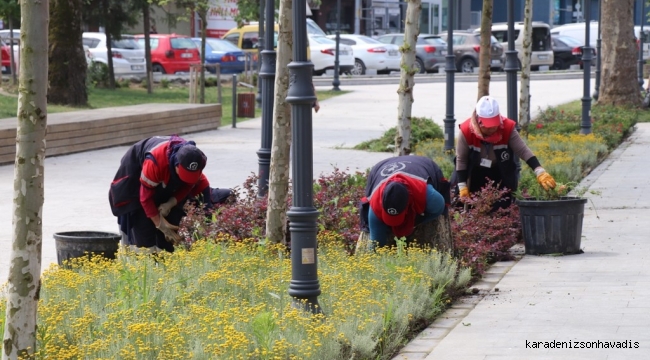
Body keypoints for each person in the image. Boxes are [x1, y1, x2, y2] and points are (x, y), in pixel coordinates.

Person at [109, 135, 221, 253]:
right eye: (184, 173)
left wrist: (170, 203)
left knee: (171, 224)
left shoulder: (198, 161)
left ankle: (164, 261)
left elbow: (189, 185)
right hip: (136, 180)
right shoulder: (156, 162)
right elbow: (145, 198)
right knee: (143, 226)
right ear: (177, 163)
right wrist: (161, 225)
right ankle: (142, 262)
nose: (186, 178)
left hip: (162, 179)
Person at [455, 95, 557, 207]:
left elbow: (523, 151)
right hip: (474, 173)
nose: (491, 129)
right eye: (487, 126)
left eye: (494, 125)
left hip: (500, 172)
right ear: (478, 121)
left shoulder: (507, 127)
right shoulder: (466, 131)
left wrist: (540, 172)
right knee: (471, 208)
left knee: (502, 207)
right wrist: (462, 186)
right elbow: (461, 160)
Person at [359, 155, 450, 248]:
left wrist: (418, 221)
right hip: (380, 168)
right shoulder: (375, 206)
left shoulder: (429, 196)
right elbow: (375, 243)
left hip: (422, 164)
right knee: (372, 227)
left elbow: (438, 210)